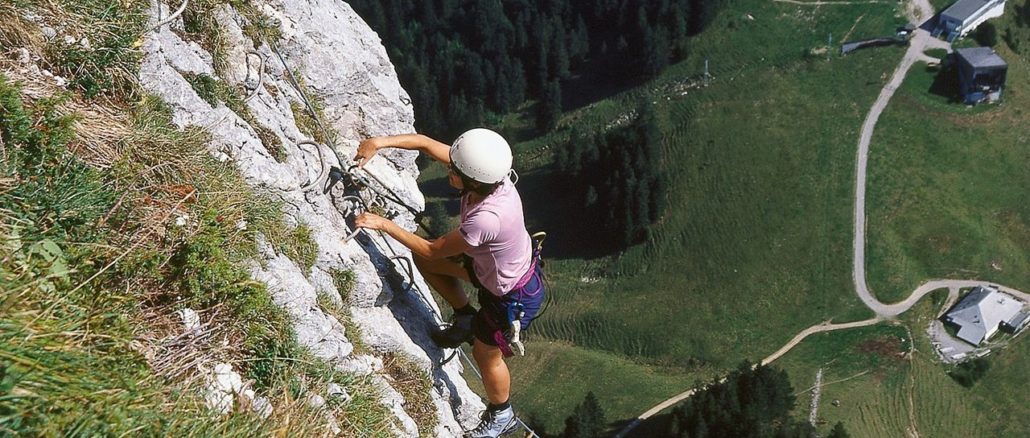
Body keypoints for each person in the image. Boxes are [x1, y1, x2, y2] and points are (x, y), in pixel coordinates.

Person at [352, 128, 545, 438]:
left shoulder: (487, 218)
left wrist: (383, 223)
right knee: (426, 263)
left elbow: (433, 247)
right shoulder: (490, 178)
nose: (448, 170)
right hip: (493, 273)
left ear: (473, 180)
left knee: (486, 355)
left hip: (510, 296)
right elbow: (427, 144)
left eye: (455, 170)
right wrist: (379, 143)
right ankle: (466, 316)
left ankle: (502, 414)